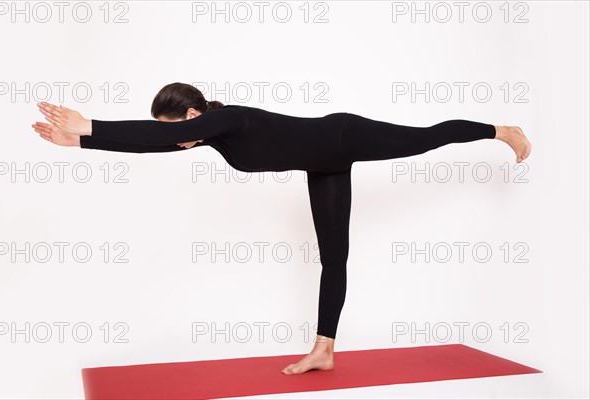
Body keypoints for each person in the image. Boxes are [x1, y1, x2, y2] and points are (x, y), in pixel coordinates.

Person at [32, 82, 532, 375]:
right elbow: (158, 145)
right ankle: (324, 350)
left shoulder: (231, 121)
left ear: (191, 114)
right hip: (326, 166)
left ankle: (499, 130)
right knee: (333, 257)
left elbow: (174, 136)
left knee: (425, 140)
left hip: (343, 133)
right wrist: (81, 146)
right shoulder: (207, 135)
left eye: (177, 127)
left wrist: (93, 125)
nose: (177, 137)